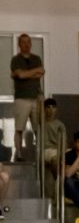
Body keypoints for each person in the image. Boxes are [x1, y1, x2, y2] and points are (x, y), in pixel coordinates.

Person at [10, 33, 44, 162]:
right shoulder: (16, 59)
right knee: (19, 128)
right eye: (23, 42)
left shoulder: (36, 58)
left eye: (28, 42)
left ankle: (40, 155)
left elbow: (41, 72)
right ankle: (19, 154)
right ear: (19, 44)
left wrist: (22, 74)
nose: (26, 44)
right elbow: (21, 75)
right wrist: (31, 73)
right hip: (21, 98)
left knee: (38, 129)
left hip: (36, 97)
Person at [43, 98, 67, 176]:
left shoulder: (60, 124)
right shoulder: (41, 123)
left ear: (56, 109)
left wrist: (62, 153)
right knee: (55, 160)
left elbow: (64, 142)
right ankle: (57, 179)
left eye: (53, 107)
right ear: (44, 109)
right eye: (48, 107)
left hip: (59, 149)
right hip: (47, 149)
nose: (51, 110)